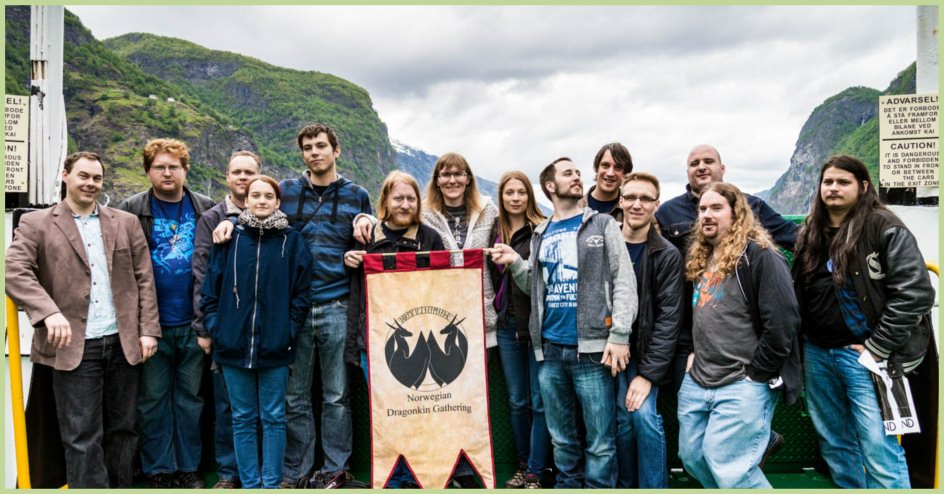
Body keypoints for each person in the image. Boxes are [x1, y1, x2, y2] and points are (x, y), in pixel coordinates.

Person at [215, 123, 372, 488]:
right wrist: (228, 222)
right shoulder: (286, 190)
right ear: (301, 153)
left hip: (337, 303)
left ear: (337, 150)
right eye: (307, 147)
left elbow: (369, 240)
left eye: (321, 146)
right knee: (295, 397)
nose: (314, 152)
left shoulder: (357, 195)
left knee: (336, 395)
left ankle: (336, 469)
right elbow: (260, 216)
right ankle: (297, 472)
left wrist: (368, 225)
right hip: (292, 310)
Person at [6, 152, 160, 488]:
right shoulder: (37, 224)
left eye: (97, 178)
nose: (91, 184)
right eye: (84, 176)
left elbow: (144, 278)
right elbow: (15, 272)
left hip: (124, 344)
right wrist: (48, 312)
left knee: (124, 430)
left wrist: (148, 330)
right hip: (74, 346)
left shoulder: (125, 222)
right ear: (65, 176)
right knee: (81, 436)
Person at [491, 157, 637, 488]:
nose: (577, 177)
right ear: (550, 186)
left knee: (600, 444)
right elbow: (535, 285)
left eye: (577, 172)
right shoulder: (542, 232)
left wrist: (620, 335)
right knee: (562, 441)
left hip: (593, 352)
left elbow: (624, 281)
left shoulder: (602, 224)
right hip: (550, 353)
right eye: (568, 173)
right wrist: (516, 262)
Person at [793, 155, 934, 488]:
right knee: (836, 444)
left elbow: (915, 293)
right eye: (828, 182)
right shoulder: (810, 231)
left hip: (868, 358)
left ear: (863, 187)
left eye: (843, 182)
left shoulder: (884, 226)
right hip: (817, 353)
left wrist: (877, 347)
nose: (834, 188)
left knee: (878, 447)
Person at [655, 144, 796, 464]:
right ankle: (750, 445)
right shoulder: (667, 213)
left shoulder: (756, 230)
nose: (701, 167)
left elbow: (793, 237)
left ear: (723, 169)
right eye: (694, 163)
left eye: (709, 161)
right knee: (694, 444)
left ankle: (749, 449)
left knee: (726, 453)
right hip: (690, 340)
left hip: (740, 348)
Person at [676, 182, 800, 488]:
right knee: (692, 457)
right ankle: (759, 440)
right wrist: (691, 351)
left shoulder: (761, 257)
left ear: (736, 214)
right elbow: (700, 313)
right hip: (700, 378)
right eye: (702, 209)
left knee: (730, 467)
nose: (706, 214)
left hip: (742, 380)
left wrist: (757, 374)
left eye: (716, 208)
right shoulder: (701, 256)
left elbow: (783, 321)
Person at [201, 176, 313, 489]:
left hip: (276, 347)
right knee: (242, 418)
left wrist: (288, 331)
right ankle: (250, 484)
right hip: (233, 347)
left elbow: (301, 295)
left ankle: (271, 484)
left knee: (275, 417)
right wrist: (217, 329)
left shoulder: (292, 241)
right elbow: (210, 289)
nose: (261, 201)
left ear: (278, 202)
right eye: (255, 195)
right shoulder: (228, 239)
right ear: (246, 200)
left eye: (268, 196)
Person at [115, 138, 215, 489]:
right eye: (160, 166)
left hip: (193, 323)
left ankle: (188, 468)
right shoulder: (132, 209)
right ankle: (158, 470)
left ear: (186, 169)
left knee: (190, 400)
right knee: (153, 400)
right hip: (152, 325)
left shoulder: (205, 207)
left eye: (174, 166)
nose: (168, 172)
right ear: (148, 171)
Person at [343, 171, 445, 488]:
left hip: (419, 345)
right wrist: (348, 258)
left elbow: (443, 286)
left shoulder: (430, 238)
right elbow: (356, 292)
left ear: (419, 202)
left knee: (418, 413)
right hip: (372, 343)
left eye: (410, 198)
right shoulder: (366, 238)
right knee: (385, 416)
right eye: (397, 198)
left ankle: (418, 475)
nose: (404, 204)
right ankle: (392, 478)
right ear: (385, 200)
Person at [191, 150, 262, 488]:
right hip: (227, 330)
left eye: (250, 172)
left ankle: (261, 469)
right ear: (227, 176)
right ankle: (229, 473)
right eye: (237, 172)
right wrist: (206, 327)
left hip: (265, 330)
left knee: (266, 407)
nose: (243, 178)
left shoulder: (273, 215)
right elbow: (201, 274)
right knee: (227, 406)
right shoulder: (211, 218)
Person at [609, 172, 683, 488]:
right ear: (621, 201)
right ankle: (626, 484)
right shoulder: (605, 246)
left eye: (645, 199)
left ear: (656, 204)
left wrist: (648, 374)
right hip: (607, 349)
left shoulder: (666, 254)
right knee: (622, 421)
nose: (637, 205)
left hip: (646, 354)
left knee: (643, 416)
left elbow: (669, 319)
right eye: (631, 197)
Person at [485, 171, 550, 489]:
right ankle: (525, 464)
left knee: (539, 401)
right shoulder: (493, 233)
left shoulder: (541, 230)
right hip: (507, 326)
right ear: (501, 196)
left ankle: (537, 471)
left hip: (536, 326)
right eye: (509, 192)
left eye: (521, 192)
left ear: (529, 195)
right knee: (516, 401)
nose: (515, 198)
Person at [580, 142, 633, 214]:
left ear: (626, 174)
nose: (610, 173)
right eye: (605, 165)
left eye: (618, 167)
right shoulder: (574, 208)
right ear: (596, 168)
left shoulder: (633, 211)